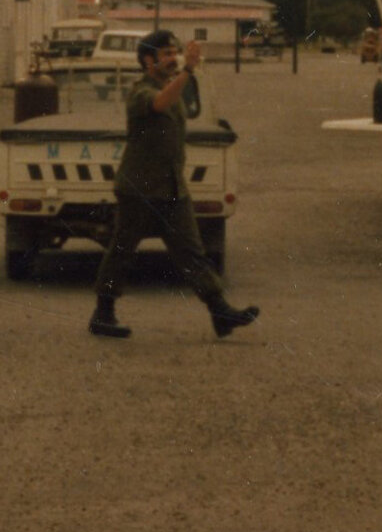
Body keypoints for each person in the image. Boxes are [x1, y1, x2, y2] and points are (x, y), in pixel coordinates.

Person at [88, 30, 259, 341]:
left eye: (174, 53)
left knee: (192, 252)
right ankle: (103, 313)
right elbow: (159, 103)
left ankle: (220, 313)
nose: (172, 59)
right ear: (147, 60)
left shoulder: (172, 87)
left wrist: (185, 73)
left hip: (170, 188)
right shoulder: (140, 90)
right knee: (122, 251)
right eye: (165, 54)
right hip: (139, 189)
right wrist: (188, 70)